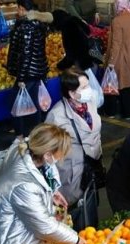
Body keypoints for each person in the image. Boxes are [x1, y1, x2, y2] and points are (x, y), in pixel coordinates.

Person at [0, 124, 85, 244]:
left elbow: (44, 173)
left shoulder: (25, 148)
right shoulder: (25, 185)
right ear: (47, 155)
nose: (61, 157)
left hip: (17, 225)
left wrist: (52, 192)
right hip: (15, 243)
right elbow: (44, 226)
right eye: (60, 154)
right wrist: (75, 239)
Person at [45, 68, 103, 209]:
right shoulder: (56, 117)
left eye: (88, 85)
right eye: (84, 87)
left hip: (91, 170)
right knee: (74, 215)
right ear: (72, 93)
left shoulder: (90, 103)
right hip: (71, 176)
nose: (89, 90)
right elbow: (46, 156)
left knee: (91, 209)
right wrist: (53, 189)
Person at [7, 0, 54, 138]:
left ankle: (21, 135)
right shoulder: (39, 24)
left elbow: (25, 54)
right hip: (39, 71)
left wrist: (21, 77)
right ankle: (36, 134)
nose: (17, 11)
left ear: (22, 9)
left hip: (28, 73)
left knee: (18, 106)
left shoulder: (26, 27)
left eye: (18, 8)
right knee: (35, 104)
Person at [103, 0, 130, 119]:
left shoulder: (117, 21)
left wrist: (110, 63)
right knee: (128, 86)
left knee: (111, 84)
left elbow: (116, 44)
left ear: (117, 6)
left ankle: (110, 112)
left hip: (120, 58)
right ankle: (127, 113)